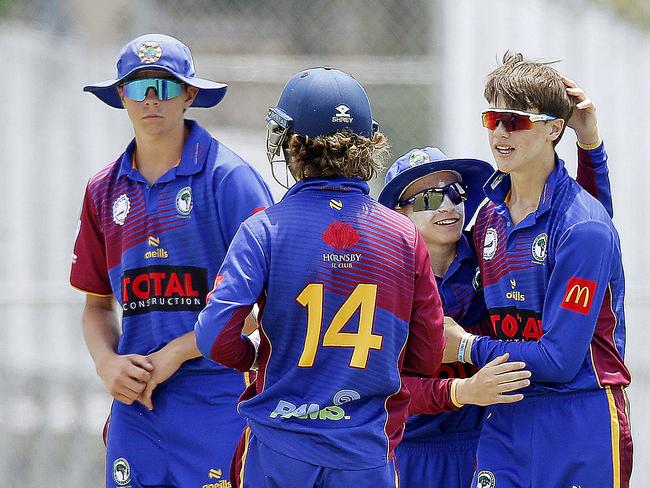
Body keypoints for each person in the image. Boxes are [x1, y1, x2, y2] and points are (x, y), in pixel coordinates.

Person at [194, 67, 445, 488]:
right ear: (367, 145)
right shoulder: (404, 235)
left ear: (293, 147)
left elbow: (214, 334)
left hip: (280, 445)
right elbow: (427, 354)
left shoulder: (264, 229)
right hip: (364, 451)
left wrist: (252, 356)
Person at [377, 76, 614, 488]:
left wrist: (591, 147)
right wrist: (460, 391)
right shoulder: (388, 284)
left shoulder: (483, 241)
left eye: (454, 192)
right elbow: (386, 385)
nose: (448, 205)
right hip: (423, 446)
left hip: (512, 424)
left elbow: (585, 227)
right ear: (397, 215)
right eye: (429, 200)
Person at [70, 33, 274, 487]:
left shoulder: (231, 179)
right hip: (137, 402)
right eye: (139, 87)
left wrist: (176, 354)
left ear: (189, 94)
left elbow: (266, 307)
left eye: (164, 86)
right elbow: (96, 305)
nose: (151, 100)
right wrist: (108, 365)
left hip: (218, 398)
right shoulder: (103, 190)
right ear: (120, 95)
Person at [444, 52, 632, 488]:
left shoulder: (583, 227)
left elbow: (560, 360)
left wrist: (467, 348)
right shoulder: (487, 216)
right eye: (494, 118)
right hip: (505, 410)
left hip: (579, 418)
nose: (502, 133)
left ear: (554, 129)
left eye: (518, 120)